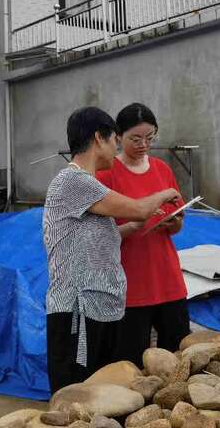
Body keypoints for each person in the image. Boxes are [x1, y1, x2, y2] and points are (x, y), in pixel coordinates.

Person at [43, 106, 180, 393]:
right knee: (77, 400)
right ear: (98, 139)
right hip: (77, 313)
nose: (117, 147)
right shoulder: (74, 181)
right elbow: (140, 209)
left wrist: (134, 228)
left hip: (97, 309)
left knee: (100, 396)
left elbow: (99, 238)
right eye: (114, 140)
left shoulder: (86, 184)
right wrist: (167, 194)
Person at [96, 103, 190, 366]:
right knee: (130, 360)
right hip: (130, 281)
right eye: (135, 138)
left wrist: (174, 224)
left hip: (167, 276)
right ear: (118, 137)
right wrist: (135, 223)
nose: (143, 144)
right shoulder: (107, 174)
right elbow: (99, 234)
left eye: (150, 137)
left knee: (178, 353)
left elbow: (177, 220)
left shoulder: (162, 169)